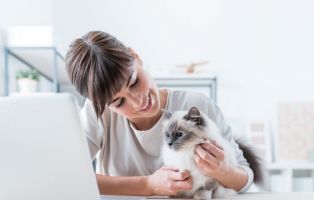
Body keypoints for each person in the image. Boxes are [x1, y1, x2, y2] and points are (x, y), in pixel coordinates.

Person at [65, 31, 253, 196]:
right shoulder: (97, 113)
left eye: (134, 82)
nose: (137, 101)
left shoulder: (195, 106)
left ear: (136, 56)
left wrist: (224, 171)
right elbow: (69, 176)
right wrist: (147, 185)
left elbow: (245, 179)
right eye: (119, 102)